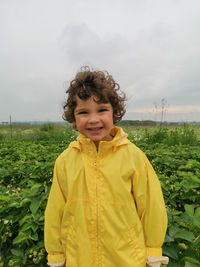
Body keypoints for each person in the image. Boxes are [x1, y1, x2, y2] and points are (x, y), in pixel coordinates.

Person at [44, 67, 169, 267]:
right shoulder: (65, 161)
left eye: (102, 110)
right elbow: (54, 213)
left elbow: (152, 208)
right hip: (79, 259)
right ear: (74, 120)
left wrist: (152, 252)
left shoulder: (134, 157)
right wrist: (56, 255)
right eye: (83, 112)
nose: (93, 119)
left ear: (114, 113)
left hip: (127, 259)